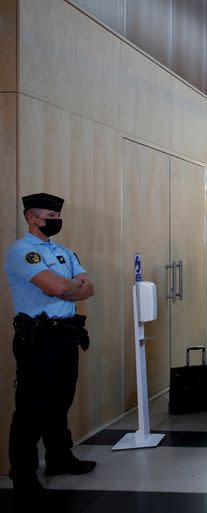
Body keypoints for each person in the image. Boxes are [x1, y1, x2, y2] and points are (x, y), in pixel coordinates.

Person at [6, 193, 97, 493]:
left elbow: (89, 287)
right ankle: (23, 473)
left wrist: (67, 289)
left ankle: (59, 456)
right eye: (50, 217)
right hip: (38, 338)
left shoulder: (65, 252)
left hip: (66, 334)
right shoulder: (22, 252)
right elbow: (59, 286)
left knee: (61, 401)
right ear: (32, 218)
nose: (56, 221)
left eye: (58, 217)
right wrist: (69, 287)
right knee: (32, 407)